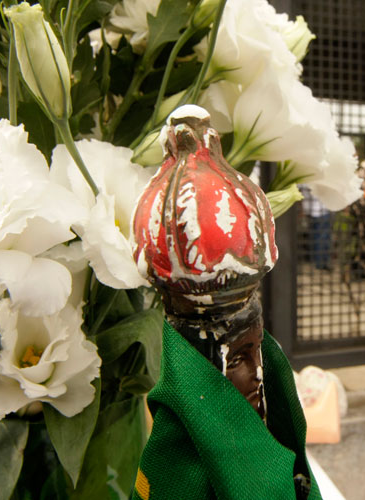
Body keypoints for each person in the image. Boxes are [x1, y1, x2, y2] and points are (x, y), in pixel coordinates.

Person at [131, 105, 322, 500]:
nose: (257, 373)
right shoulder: (177, 474)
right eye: (236, 358)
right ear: (198, 359)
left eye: (255, 351)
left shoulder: (268, 440)